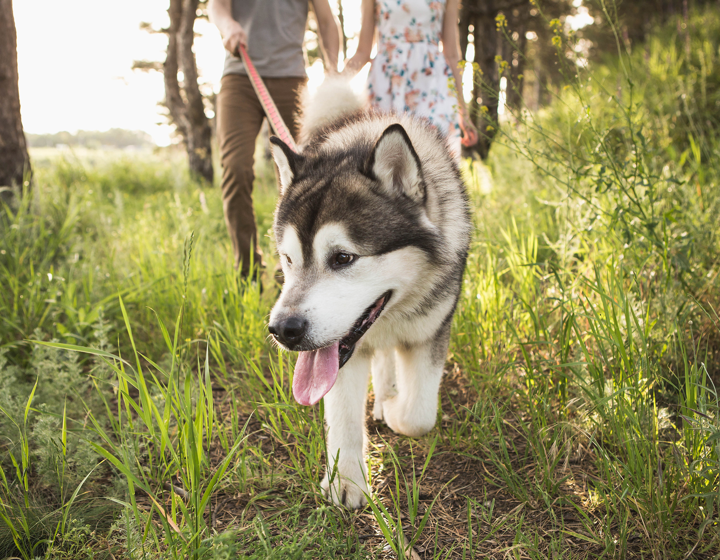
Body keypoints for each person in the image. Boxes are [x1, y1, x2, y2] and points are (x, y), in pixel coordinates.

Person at [208, 0, 341, 278]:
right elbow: (217, 5)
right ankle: (247, 271)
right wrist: (227, 25)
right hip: (239, 74)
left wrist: (332, 73)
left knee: (298, 177)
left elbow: (327, 22)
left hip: (290, 79)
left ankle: (292, 268)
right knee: (235, 168)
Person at [341, 0, 477, 159]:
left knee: (435, 158)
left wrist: (464, 113)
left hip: (433, 85)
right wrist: (332, 86)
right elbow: (362, 52)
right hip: (387, 86)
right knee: (385, 159)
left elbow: (452, 55)